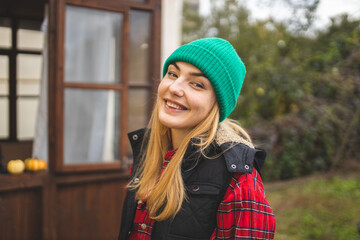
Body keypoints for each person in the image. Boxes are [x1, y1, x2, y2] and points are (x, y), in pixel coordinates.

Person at [118, 38, 276, 240]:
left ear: (217, 104)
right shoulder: (147, 153)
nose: (175, 87)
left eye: (197, 84)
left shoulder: (238, 177)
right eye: (173, 74)